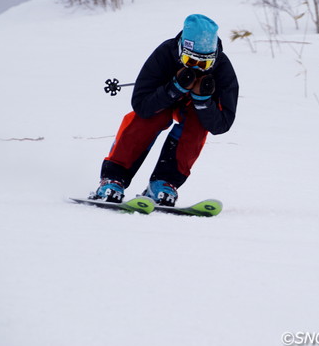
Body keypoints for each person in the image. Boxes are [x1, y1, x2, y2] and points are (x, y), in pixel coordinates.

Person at [89, 14, 239, 206]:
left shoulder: (223, 70)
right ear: (180, 50)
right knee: (148, 119)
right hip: (160, 102)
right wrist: (174, 88)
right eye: (189, 61)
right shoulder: (164, 54)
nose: (197, 68)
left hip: (194, 108)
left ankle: (164, 182)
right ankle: (113, 178)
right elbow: (141, 105)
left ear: (214, 59)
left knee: (197, 123)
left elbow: (221, 125)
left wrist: (202, 101)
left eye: (204, 64)